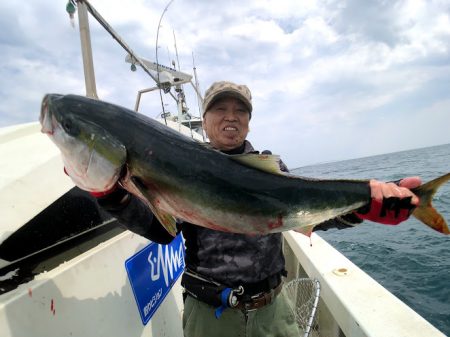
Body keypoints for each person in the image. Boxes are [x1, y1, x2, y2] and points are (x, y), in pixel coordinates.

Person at [67, 81, 421, 337]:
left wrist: (362, 210)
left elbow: (305, 211)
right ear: (205, 121)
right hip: (210, 317)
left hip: (273, 310)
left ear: (249, 122)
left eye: (240, 111)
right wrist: (111, 195)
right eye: (219, 109)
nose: (230, 117)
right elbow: (162, 230)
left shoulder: (271, 168)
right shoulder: (181, 167)